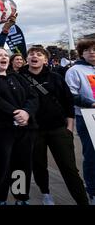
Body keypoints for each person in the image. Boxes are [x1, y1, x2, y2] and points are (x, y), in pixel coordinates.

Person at [19, 46, 88, 205]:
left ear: (45, 59)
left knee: (69, 168)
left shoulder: (56, 77)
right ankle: (45, 193)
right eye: (31, 54)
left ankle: (82, 201)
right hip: (33, 130)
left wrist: (69, 127)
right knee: (39, 165)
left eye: (39, 54)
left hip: (58, 129)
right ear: (26, 58)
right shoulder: (19, 77)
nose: (34, 56)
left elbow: (68, 102)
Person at [0, 47, 39, 205]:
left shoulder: (17, 77)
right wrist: (15, 113)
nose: (3, 57)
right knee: (0, 167)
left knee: (22, 166)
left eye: (6, 55)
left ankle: (20, 197)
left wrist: (26, 112)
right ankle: (0, 199)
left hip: (24, 131)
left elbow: (33, 97)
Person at [65, 39, 95, 205]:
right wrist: (90, 103)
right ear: (81, 53)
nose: (92, 52)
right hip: (87, 116)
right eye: (88, 50)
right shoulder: (74, 70)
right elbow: (71, 95)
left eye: (94, 49)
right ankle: (92, 191)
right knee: (92, 155)